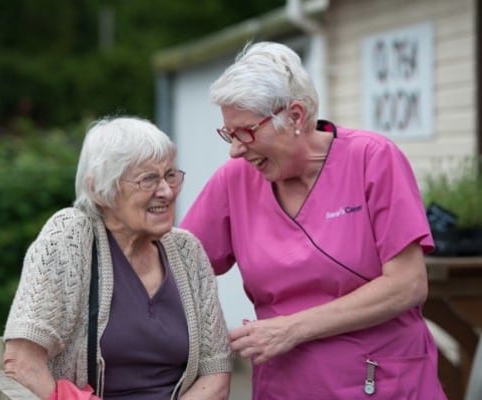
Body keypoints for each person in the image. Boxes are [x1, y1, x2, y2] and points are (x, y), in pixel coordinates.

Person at [180, 41, 447, 399]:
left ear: (294, 116)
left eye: (246, 132)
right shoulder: (234, 180)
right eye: (229, 134)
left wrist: (292, 329)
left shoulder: (372, 159)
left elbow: (408, 285)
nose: (235, 149)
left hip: (383, 382)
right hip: (286, 387)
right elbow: (177, 266)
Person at [3, 116, 232, 400]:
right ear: (100, 190)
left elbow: (216, 370)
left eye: (170, 175)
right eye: (148, 179)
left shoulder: (189, 252)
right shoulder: (70, 237)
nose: (166, 191)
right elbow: (22, 363)